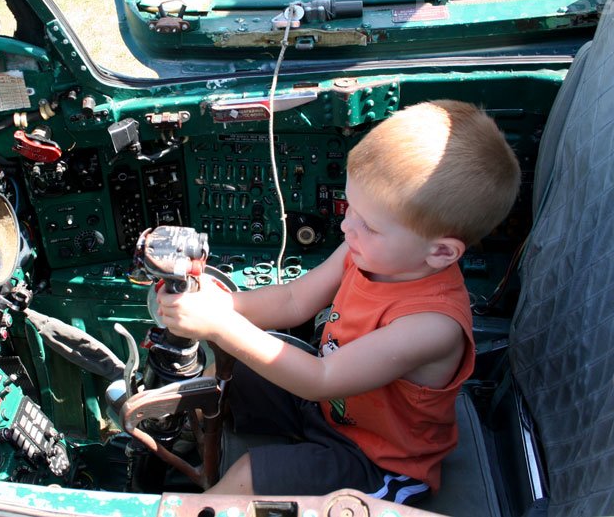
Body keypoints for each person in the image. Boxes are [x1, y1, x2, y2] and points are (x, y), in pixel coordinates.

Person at [156, 99, 520, 503]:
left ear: (440, 253)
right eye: (350, 209)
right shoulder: (363, 250)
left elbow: (321, 380)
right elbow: (295, 299)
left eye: (370, 224)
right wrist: (226, 306)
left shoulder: (432, 326)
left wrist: (222, 326)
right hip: (331, 409)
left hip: (376, 458)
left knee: (249, 475)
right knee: (230, 364)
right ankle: (186, 431)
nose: (347, 226)